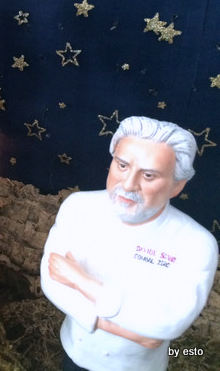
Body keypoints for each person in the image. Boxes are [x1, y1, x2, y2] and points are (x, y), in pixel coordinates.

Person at [40, 116, 218, 371]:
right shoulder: (78, 207)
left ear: (177, 186)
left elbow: (169, 321)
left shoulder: (196, 244)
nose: (129, 184)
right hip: (76, 349)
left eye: (148, 175)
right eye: (122, 165)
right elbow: (52, 281)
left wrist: (82, 282)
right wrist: (133, 332)